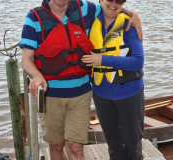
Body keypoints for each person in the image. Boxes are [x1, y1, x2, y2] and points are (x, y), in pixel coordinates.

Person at [19, 0, 143, 159]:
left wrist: (134, 15)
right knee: (56, 146)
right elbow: (26, 59)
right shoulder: (33, 18)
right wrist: (36, 75)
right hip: (51, 94)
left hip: (81, 93)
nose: (114, 2)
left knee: (76, 147)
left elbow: (111, 8)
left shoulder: (85, 8)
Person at [81, 0, 145, 159]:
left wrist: (103, 60)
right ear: (100, 0)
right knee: (114, 146)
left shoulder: (129, 25)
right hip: (102, 95)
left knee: (133, 145)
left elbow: (138, 61)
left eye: (120, 1)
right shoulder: (89, 20)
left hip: (130, 93)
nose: (114, 4)